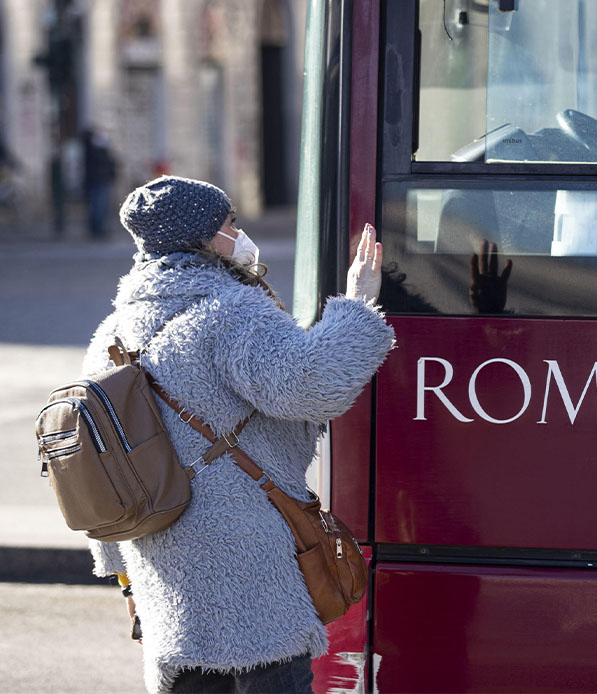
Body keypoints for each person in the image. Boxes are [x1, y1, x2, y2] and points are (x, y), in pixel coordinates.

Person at [81, 175, 395, 693]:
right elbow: (310, 386)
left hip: (162, 571)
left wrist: (125, 581)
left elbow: (101, 470)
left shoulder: (113, 331)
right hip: (250, 570)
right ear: (202, 237)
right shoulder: (227, 311)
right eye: (230, 223)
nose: (240, 232)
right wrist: (358, 305)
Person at [82, 128, 118, 239]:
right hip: (99, 180)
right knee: (98, 205)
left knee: (98, 205)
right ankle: (97, 228)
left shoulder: (92, 150)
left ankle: (97, 228)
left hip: (99, 180)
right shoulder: (96, 150)